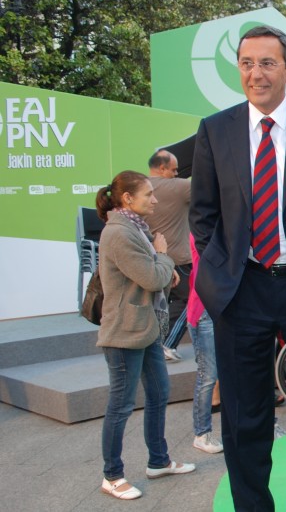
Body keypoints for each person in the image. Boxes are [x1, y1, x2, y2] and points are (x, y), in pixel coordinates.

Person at [190, 25, 286, 511]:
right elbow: (203, 215)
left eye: (268, 63)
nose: (256, 73)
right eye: (247, 63)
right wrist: (220, 278)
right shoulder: (215, 129)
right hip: (243, 291)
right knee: (244, 416)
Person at [95, 170, 194, 500]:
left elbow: (151, 275)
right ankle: (112, 476)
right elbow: (152, 277)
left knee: (158, 393)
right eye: (149, 194)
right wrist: (163, 256)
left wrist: (161, 266)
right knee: (121, 406)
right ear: (127, 199)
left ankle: (159, 461)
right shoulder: (120, 233)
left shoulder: (135, 229)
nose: (155, 199)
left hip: (145, 328)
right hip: (125, 333)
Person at [145, 150, 191, 362]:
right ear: (161, 168)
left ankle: (157, 344)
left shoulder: (139, 187)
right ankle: (166, 343)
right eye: (173, 170)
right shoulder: (180, 187)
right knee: (192, 301)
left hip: (150, 258)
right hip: (178, 260)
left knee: (162, 305)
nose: (176, 173)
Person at [185, 234, 222, 454]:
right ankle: (201, 433)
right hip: (203, 312)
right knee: (208, 376)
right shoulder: (202, 233)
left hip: (214, 310)